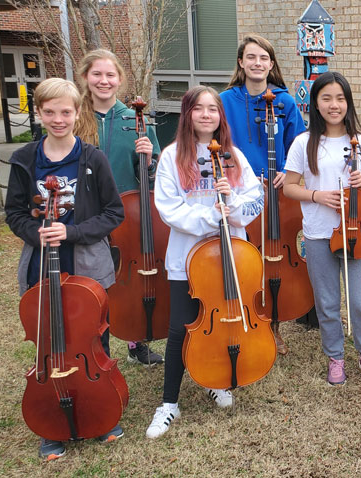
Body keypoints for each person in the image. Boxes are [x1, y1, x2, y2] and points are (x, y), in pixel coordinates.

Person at [5, 78, 125, 459]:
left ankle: (101, 410)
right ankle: (51, 421)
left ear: (77, 113)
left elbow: (113, 212)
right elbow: (14, 213)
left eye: (66, 112)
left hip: (87, 261)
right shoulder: (25, 159)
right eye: (50, 112)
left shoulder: (92, 159)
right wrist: (35, 231)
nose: (59, 119)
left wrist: (71, 230)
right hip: (43, 262)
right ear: (39, 113)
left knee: (93, 337)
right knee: (49, 340)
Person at [146, 86, 263, 439]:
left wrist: (234, 204)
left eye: (213, 109)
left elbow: (255, 200)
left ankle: (213, 380)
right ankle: (168, 403)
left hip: (230, 257)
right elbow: (168, 207)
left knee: (221, 320)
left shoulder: (233, 156)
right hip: (188, 259)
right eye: (200, 108)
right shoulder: (171, 156)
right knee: (181, 327)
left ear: (220, 117)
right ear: (188, 114)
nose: (207, 114)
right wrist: (211, 216)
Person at [283, 72, 361, 386]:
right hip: (318, 234)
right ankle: (335, 356)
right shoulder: (303, 142)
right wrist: (318, 195)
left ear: (348, 102)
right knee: (326, 301)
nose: (334, 104)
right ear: (315, 103)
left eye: (340, 98)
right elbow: (289, 187)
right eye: (326, 98)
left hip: (357, 234)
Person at [74, 48, 164, 365]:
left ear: (120, 80)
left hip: (129, 212)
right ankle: (96, 346)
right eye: (97, 74)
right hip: (86, 214)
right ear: (85, 77)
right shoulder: (73, 118)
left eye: (110, 75)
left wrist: (149, 158)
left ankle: (135, 341)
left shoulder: (135, 119)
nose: (104, 81)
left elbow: (152, 178)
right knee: (92, 281)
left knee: (131, 276)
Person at [219, 34, 307, 355]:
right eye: (251, 57)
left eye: (264, 58)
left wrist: (287, 169)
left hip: (279, 192)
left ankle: (274, 325)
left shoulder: (284, 102)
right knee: (245, 259)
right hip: (242, 193)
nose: (257, 63)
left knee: (276, 260)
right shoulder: (225, 101)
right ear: (241, 63)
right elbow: (217, 145)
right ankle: (249, 318)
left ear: (271, 64)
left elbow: (299, 144)